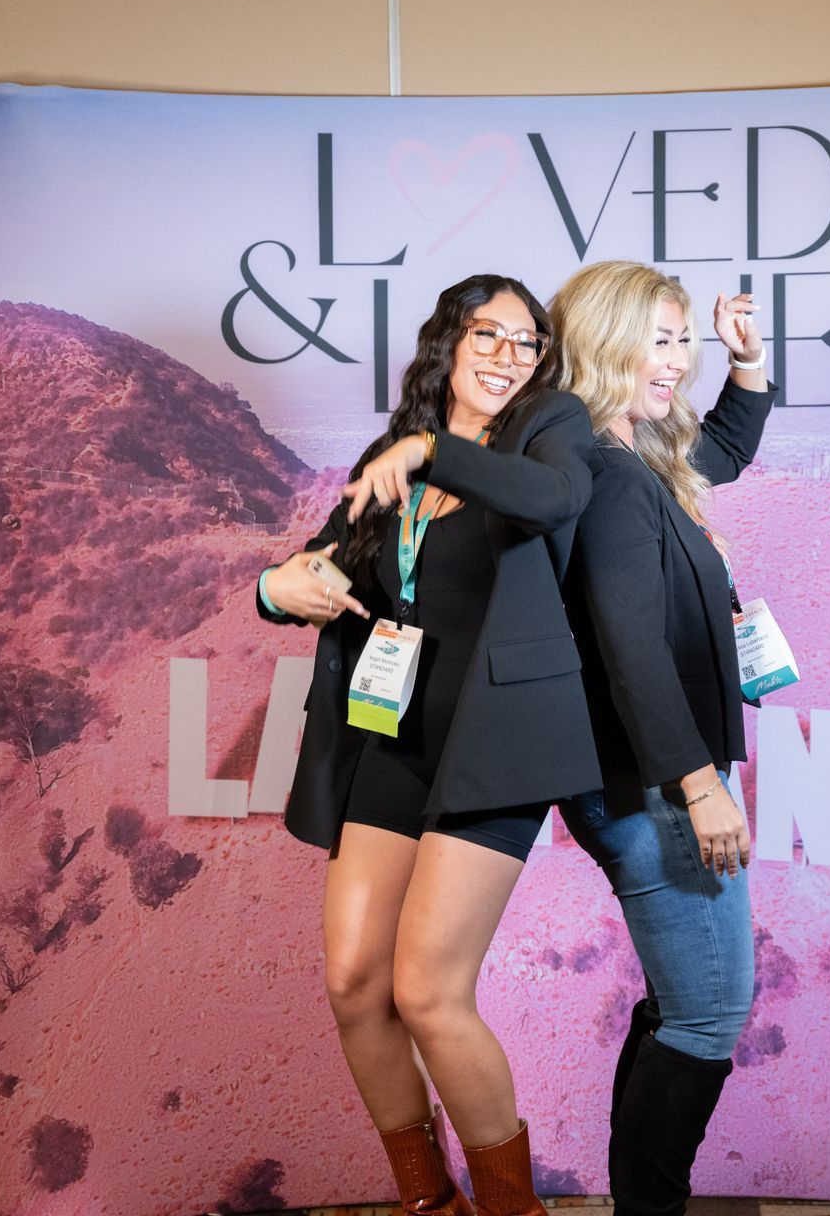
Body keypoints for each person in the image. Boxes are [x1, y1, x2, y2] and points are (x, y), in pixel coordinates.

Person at [257, 274, 599, 1216]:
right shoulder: (391, 457)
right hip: (392, 739)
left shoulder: (546, 430)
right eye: (485, 334)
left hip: (496, 749)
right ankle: (430, 1204)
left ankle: (512, 1213)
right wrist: (279, 586)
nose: (505, 354)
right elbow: (323, 557)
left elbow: (556, 500)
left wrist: (432, 450)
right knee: (355, 982)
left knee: (428, 991)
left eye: (525, 342)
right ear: (446, 343)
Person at [552, 260, 774, 1216]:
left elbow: (719, 448)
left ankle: (644, 1208)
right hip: (653, 783)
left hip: (659, 777)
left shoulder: (632, 456)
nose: (680, 362)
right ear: (606, 342)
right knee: (707, 1011)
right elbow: (630, 645)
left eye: (686, 340)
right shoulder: (609, 478)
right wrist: (698, 785)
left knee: (684, 1005)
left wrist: (749, 365)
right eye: (664, 340)